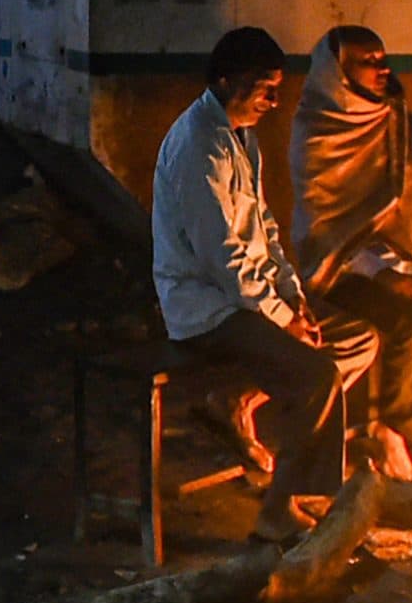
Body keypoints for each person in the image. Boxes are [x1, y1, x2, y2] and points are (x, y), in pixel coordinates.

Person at [153, 28, 376, 543]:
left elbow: (265, 231)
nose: (275, 101)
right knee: (316, 376)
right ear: (228, 81)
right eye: (264, 89)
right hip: (207, 310)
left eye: (278, 88)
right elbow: (224, 262)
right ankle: (283, 506)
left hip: (249, 298)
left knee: (357, 339)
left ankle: (241, 403)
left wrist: (293, 296)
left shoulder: (241, 136)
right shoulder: (198, 148)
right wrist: (282, 319)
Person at [289, 26, 412, 482]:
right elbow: (326, 231)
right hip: (341, 269)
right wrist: (385, 276)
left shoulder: (399, 119)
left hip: (404, 256)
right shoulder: (317, 131)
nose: (383, 69)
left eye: (384, 58)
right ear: (338, 71)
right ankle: (393, 431)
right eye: (368, 60)